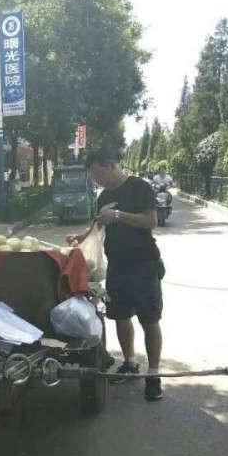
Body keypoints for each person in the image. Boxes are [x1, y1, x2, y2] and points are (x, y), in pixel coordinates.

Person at [67, 149, 165, 401]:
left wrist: (119, 215)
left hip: (144, 264)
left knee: (149, 319)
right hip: (117, 267)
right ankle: (130, 363)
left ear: (110, 165)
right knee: (120, 317)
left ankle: (153, 375)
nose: (97, 181)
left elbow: (151, 220)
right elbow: (99, 225)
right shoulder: (104, 197)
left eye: (98, 175)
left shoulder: (139, 187)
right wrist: (81, 237)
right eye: (93, 177)